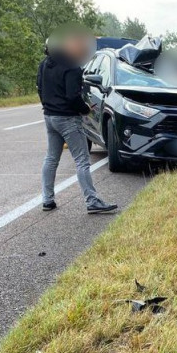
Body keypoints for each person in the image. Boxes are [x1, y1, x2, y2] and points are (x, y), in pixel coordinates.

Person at [37, 28, 117, 214]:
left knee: (51, 158)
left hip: (50, 117)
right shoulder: (72, 67)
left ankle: (47, 199)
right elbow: (73, 97)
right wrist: (85, 109)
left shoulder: (44, 65)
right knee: (82, 160)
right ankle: (92, 201)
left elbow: (40, 89)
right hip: (68, 119)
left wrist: (49, 107)